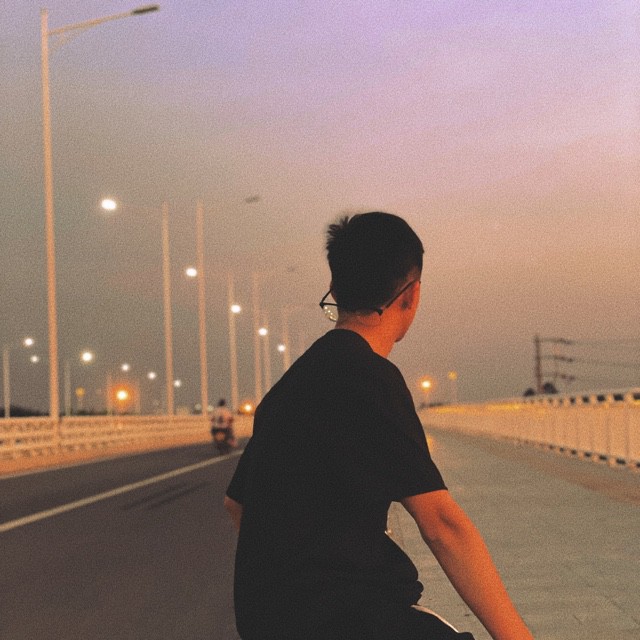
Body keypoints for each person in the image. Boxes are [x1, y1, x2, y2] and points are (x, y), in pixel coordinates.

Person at [224, 212, 534, 640]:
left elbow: (235, 505)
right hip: (347, 622)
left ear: (335, 289)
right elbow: (442, 526)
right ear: (412, 294)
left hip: (265, 621)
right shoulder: (371, 378)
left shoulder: (287, 388)